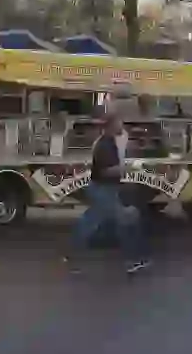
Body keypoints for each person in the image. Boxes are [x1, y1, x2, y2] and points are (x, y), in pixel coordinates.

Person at [65, 111, 151, 274]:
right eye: (120, 123)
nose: (122, 126)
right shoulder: (104, 144)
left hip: (105, 190)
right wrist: (127, 168)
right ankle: (132, 260)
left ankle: (71, 256)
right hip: (102, 190)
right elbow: (105, 171)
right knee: (125, 222)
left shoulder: (110, 142)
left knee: (91, 224)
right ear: (111, 125)